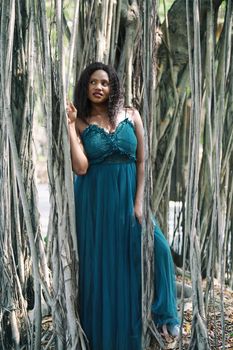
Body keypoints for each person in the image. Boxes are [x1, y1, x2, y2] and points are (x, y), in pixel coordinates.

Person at [67, 62, 179, 350]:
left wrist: (139, 202)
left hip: (129, 197)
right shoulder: (82, 121)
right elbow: (80, 168)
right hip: (95, 202)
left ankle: (164, 314)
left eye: (104, 82)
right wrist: (69, 127)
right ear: (85, 86)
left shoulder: (131, 115)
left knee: (160, 248)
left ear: (113, 85)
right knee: (103, 267)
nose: (98, 87)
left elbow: (141, 161)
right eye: (93, 82)